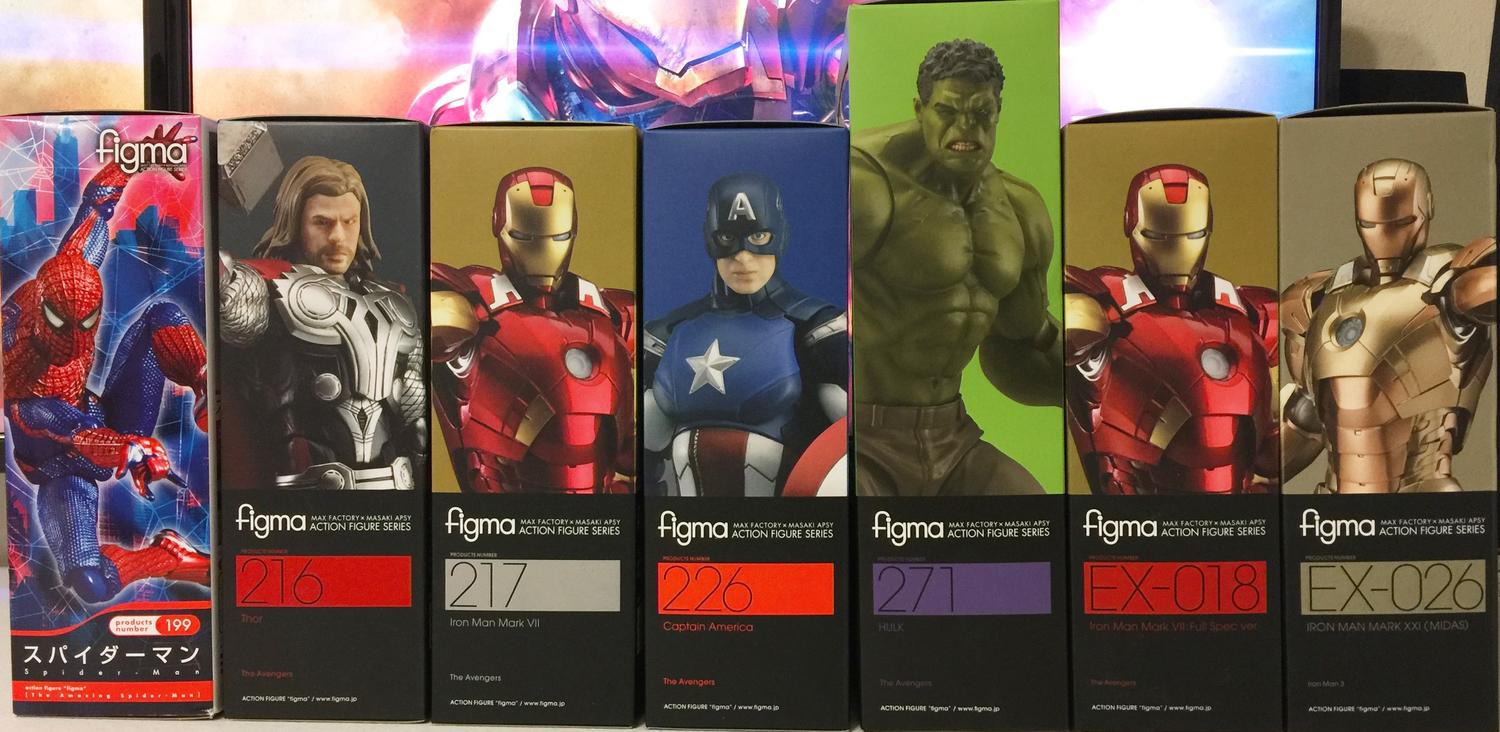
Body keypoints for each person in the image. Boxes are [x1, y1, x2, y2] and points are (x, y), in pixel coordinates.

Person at [4, 123, 208, 601]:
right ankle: (165, 557)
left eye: (87, 321)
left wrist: (134, 158)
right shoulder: (18, 364)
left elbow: (96, 206)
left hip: (103, 417)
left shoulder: (72, 270)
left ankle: (206, 388)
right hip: (61, 468)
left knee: (164, 317)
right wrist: (129, 449)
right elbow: (66, 427)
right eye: (62, 323)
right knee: (89, 582)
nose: (78, 340)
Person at [851, 38, 1060, 497]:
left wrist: (1107, 380)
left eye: (981, 113)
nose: (966, 128)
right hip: (858, 442)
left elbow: (1022, 344)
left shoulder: (1019, 208)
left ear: (999, 111)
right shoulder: (863, 185)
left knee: (1036, 520)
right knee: (856, 534)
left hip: (951, 439)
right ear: (920, 109)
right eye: (947, 111)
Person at [1282, 159, 1495, 492]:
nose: (1383, 234)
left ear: (1426, 210)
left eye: (1402, 221)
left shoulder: (1452, 285)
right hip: (1335, 510)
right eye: (1369, 223)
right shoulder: (1318, 298)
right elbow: (1307, 415)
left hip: (1421, 503)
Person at [1064, 164, 1279, 494]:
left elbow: (1270, 452)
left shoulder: (1248, 313)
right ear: (1132, 226)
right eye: (1159, 237)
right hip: (1136, 514)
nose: (1177, 249)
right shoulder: (1102, 306)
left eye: (1193, 235)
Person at [219, 156, 425, 490]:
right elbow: (219, 292)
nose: (338, 237)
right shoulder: (263, 289)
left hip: (393, 498)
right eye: (322, 222)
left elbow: (414, 418)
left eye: (350, 221)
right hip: (295, 501)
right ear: (294, 222)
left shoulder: (393, 303)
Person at [430, 167, 636, 493]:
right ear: (499, 226)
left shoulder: (612, 314)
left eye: (558, 237)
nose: (544, 251)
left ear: (573, 230)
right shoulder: (468, 304)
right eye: (525, 237)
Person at [643, 172, 848, 497]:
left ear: (780, 236)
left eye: (759, 237)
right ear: (710, 239)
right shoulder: (668, 333)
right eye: (727, 238)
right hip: (685, 521)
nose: (743, 257)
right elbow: (639, 453)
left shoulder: (813, 325)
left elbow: (855, 444)